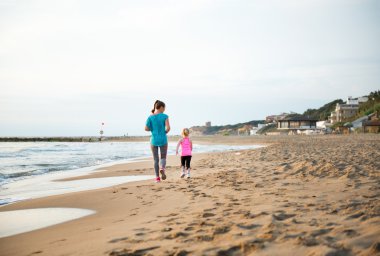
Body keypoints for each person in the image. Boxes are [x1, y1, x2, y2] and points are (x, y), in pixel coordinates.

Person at [145, 100, 170, 183]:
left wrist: (152, 129)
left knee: (156, 159)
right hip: (163, 139)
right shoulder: (165, 116)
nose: (164, 110)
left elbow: (146, 128)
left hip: (154, 140)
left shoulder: (150, 117)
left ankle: (157, 178)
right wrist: (165, 132)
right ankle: (162, 168)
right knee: (163, 157)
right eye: (164, 108)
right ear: (161, 107)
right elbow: (168, 127)